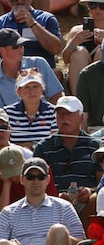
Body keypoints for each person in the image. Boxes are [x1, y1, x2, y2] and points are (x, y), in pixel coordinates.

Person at [33, 96, 102, 226]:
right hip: (53, 204)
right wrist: (55, 197)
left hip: (86, 204)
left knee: (96, 199)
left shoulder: (95, 146)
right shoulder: (43, 147)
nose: (64, 118)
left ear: (81, 118)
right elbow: (35, 182)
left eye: (69, 114)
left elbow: (101, 182)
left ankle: (86, 244)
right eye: (60, 114)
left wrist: (90, 191)